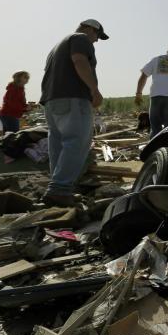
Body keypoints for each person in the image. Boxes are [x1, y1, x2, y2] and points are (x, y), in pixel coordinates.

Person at [40, 19, 107, 207]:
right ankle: (59, 190)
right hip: (73, 97)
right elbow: (79, 60)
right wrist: (94, 90)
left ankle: (57, 189)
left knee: (58, 145)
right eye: (97, 36)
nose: (96, 41)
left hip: (52, 100)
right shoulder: (80, 38)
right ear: (89, 29)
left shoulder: (56, 47)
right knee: (77, 141)